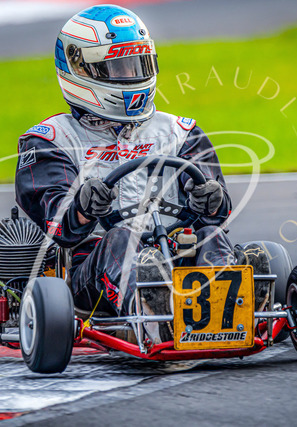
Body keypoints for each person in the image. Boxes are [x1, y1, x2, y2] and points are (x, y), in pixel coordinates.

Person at [15, 4, 243, 322]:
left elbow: (217, 215)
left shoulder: (179, 132)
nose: (131, 76)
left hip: (178, 253)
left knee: (211, 235)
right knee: (121, 239)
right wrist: (82, 207)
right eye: (118, 68)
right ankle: (154, 312)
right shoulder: (51, 140)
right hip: (90, 273)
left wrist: (211, 199)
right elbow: (57, 225)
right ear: (79, 69)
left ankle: (232, 308)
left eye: (137, 64)